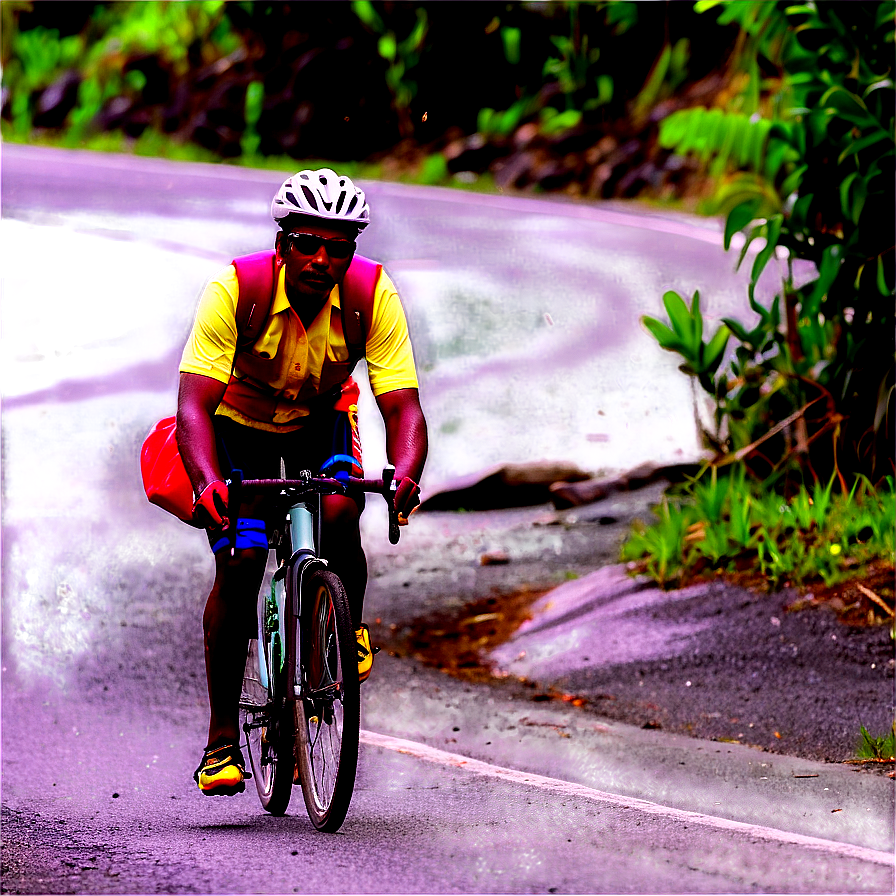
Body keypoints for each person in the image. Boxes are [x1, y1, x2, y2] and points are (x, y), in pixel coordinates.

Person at [176, 169, 428, 796]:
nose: (323, 259)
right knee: (242, 558)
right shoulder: (237, 289)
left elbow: (403, 408)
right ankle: (221, 742)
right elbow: (192, 406)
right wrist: (209, 483)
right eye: (309, 243)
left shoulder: (372, 293)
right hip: (240, 424)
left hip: (320, 419)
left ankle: (347, 622)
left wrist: (404, 474)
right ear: (283, 241)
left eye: (338, 246)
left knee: (343, 513)